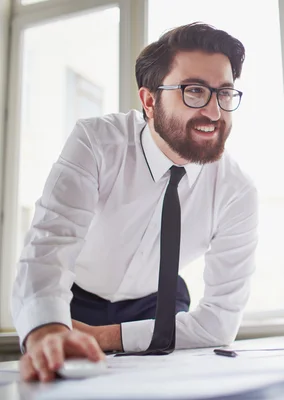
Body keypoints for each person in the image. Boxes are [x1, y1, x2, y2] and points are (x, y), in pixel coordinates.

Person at [11, 22, 258, 382]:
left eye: (224, 93)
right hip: (73, 298)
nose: (214, 112)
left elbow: (219, 321)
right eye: (193, 91)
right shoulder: (96, 143)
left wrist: (102, 336)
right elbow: (49, 246)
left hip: (158, 308)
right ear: (149, 101)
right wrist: (49, 330)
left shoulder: (237, 191)